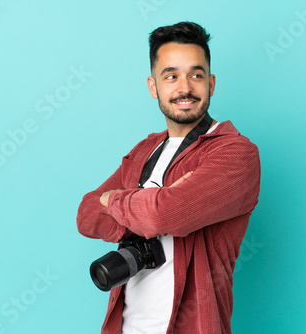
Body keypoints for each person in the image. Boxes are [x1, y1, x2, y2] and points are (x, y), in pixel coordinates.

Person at [77, 21, 261, 334]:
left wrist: (118, 201)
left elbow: (165, 214)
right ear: (154, 87)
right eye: (171, 76)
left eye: (196, 75)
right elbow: (86, 215)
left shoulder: (236, 153)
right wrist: (148, 208)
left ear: (211, 84)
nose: (185, 87)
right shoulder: (144, 150)